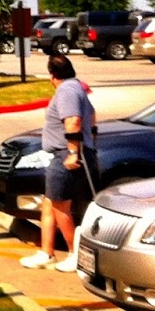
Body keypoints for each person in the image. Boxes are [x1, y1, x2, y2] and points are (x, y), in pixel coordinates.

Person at [20, 53, 97, 272]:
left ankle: (74, 253)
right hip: (65, 153)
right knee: (49, 203)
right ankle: (47, 252)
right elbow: (92, 117)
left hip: (65, 154)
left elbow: (73, 120)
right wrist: (92, 140)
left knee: (60, 205)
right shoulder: (78, 89)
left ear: (53, 76)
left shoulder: (66, 91)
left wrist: (73, 152)